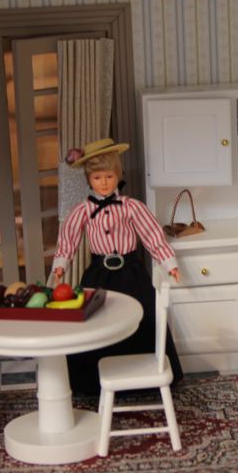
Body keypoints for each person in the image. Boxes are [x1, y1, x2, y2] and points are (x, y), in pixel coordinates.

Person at [51, 138, 184, 395]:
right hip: (98, 274)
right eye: (97, 178)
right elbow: (68, 238)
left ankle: (144, 374)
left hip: (131, 273)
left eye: (109, 176)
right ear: (89, 180)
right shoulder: (82, 210)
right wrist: (61, 264)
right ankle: (91, 380)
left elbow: (152, 234)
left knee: (144, 317)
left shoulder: (131, 207)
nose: (104, 183)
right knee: (94, 321)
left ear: (118, 176)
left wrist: (169, 263)